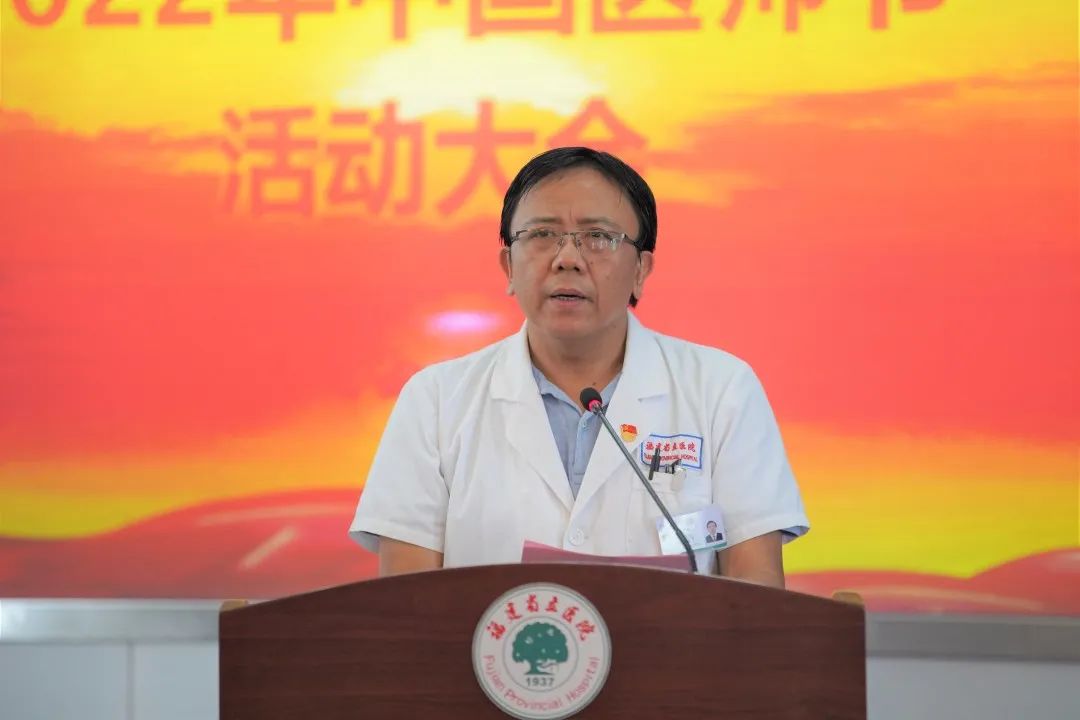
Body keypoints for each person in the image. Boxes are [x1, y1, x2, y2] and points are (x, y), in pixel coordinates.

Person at [349, 147, 808, 588]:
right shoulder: (435, 400)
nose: (567, 259)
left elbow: (757, 590)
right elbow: (407, 603)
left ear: (640, 270)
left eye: (599, 238)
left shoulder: (721, 390)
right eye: (541, 235)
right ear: (508, 266)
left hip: (673, 649)